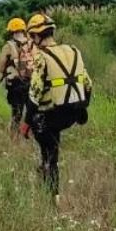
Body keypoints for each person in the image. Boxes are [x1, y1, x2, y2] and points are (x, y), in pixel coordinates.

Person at [20, 14, 92, 197]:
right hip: (71, 113)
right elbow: (88, 84)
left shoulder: (41, 57)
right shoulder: (74, 50)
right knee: (52, 146)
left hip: (49, 116)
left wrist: (26, 123)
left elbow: (34, 94)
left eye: (32, 37)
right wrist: (84, 108)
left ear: (36, 36)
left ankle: (53, 197)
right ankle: (46, 172)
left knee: (49, 155)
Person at [0, 17, 34, 136]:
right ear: (23, 29)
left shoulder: (8, 46)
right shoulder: (32, 44)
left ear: (11, 30)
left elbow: (1, 68)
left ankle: (14, 137)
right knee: (32, 111)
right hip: (31, 82)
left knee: (16, 112)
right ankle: (32, 134)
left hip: (16, 84)